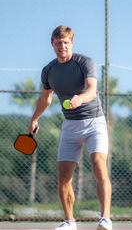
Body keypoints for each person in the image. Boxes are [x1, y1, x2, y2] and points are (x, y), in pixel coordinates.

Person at [28, 25, 112, 230]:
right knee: (63, 177)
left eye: (66, 42)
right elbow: (46, 98)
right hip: (70, 126)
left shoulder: (85, 62)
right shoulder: (48, 70)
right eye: (58, 43)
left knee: (98, 164)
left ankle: (105, 219)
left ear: (72, 42)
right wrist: (34, 119)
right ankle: (69, 222)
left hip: (94, 122)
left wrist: (80, 99)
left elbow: (92, 90)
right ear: (52, 44)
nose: (62, 46)